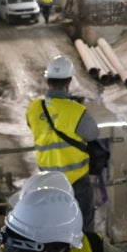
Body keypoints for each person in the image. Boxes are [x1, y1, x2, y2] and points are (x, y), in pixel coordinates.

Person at [25, 55, 104, 233]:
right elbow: (92, 134)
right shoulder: (77, 111)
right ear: (69, 81)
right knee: (83, 230)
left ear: (47, 80)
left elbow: (33, 125)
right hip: (77, 183)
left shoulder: (34, 108)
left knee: (55, 229)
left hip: (48, 182)